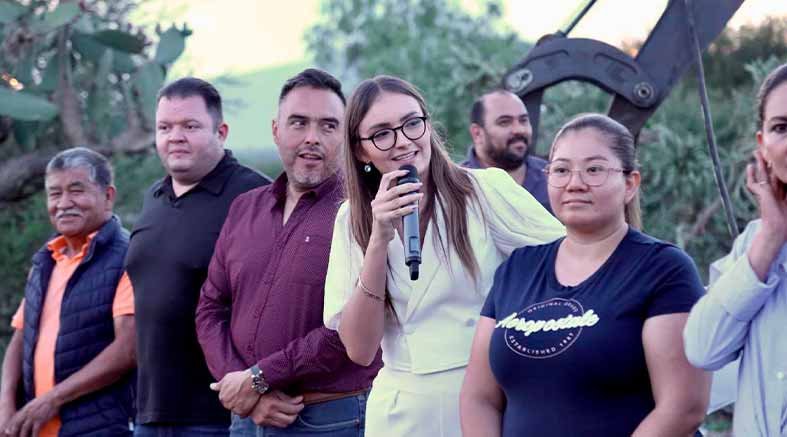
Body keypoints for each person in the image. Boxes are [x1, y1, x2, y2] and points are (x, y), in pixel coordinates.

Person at [322, 75, 565, 436]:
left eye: (412, 123)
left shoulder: (485, 191)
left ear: (428, 124)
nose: (403, 141)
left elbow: (569, 263)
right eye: (382, 133)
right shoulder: (352, 219)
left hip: (485, 399)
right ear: (361, 150)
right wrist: (379, 239)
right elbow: (360, 349)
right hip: (401, 412)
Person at [460, 113, 711, 436]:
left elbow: (683, 407)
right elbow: (478, 397)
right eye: (561, 170)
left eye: (594, 170)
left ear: (630, 183)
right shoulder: (517, 269)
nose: (575, 183)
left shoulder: (663, 269)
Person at [196, 68, 379, 436]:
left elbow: (349, 326)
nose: (312, 138)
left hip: (330, 418)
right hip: (247, 416)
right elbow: (210, 307)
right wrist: (243, 388)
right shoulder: (245, 208)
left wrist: (258, 379)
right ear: (276, 129)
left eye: (328, 126)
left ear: (344, 137)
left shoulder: (365, 211)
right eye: (298, 123)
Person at [125, 78, 270, 436]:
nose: (175, 136)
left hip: (220, 415)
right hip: (150, 412)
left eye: (190, 126)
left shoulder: (255, 197)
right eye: (165, 127)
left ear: (220, 131)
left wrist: (261, 386)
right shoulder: (153, 198)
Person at [0, 147, 136, 437]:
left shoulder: (129, 257)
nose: (64, 203)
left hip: (99, 427)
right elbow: (20, 337)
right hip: (36, 428)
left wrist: (51, 400)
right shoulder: (45, 261)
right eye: (54, 193)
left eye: (77, 190)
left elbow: (129, 348)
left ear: (108, 196)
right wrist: (5, 409)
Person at [683, 63, 787, 436]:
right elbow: (703, 350)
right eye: (782, 128)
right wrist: (771, 238)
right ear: (763, 148)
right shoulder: (755, 243)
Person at [463, 89, 552, 214]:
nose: (519, 129)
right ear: (477, 133)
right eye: (504, 122)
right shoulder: (453, 187)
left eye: (523, 120)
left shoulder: (553, 178)